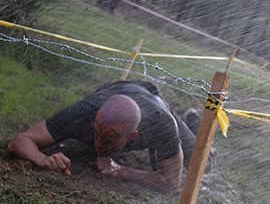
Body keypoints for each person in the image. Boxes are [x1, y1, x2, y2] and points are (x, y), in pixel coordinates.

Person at [7, 80, 214, 191]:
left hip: (156, 104)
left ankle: (195, 124)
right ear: (95, 118)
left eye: (109, 138)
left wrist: (119, 171)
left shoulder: (161, 126)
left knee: (202, 163)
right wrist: (42, 159)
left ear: (132, 136)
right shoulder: (83, 112)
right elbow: (20, 141)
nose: (98, 143)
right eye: (97, 133)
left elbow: (170, 183)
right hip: (119, 88)